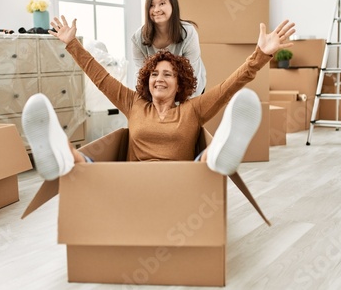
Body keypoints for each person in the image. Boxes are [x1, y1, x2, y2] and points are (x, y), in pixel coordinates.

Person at [22, 16, 295, 183]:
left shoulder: (193, 109)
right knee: (84, 164)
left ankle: (222, 150)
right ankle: (59, 153)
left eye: (167, 74)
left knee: (206, 160)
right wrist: (72, 44)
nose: (159, 78)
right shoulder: (134, 103)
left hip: (180, 183)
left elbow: (231, 84)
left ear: (180, 84)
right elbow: (99, 76)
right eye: (154, 73)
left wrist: (261, 54)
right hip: (132, 183)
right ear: (146, 80)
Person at [131, 0, 206, 97]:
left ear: (173, 5)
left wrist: (178, 107)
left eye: (162, 3)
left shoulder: (188, 33)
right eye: (151, 5)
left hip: (190, 90)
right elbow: (141, 80)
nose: (156, 10)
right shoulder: (138, 39)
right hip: (158, 93)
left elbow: (192, 78)